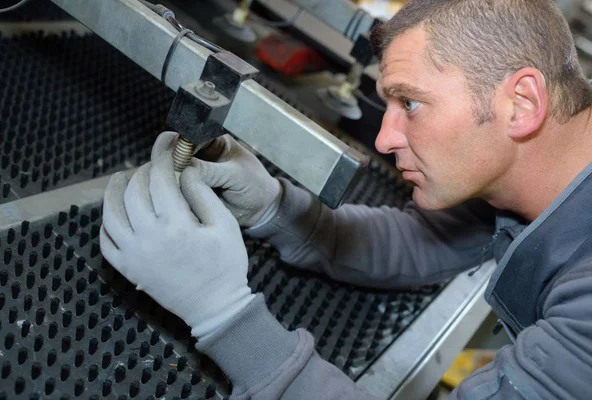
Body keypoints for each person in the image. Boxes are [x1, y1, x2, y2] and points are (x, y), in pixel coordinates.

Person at [100, 0, 592, 398]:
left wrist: (226, 316)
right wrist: (278, 208)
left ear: (522, 103)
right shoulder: (535, 175)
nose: (383, 139)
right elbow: (424, 243)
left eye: (410, 103)